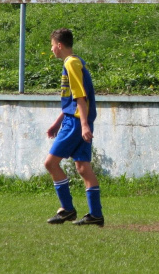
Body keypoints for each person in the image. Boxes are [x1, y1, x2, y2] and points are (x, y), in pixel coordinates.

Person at [43, 28, 103, 227]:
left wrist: (84, 125)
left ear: (59, 45)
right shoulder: (74, 62)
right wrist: (57, 122)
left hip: (76, 122)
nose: (51, 49)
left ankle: (67, 209)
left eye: (52, 45)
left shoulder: (71, 63)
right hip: (74, 120)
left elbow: (80, 96)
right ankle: (95, 215)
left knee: (51, 164)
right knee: (83, 167)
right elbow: (72, 99)